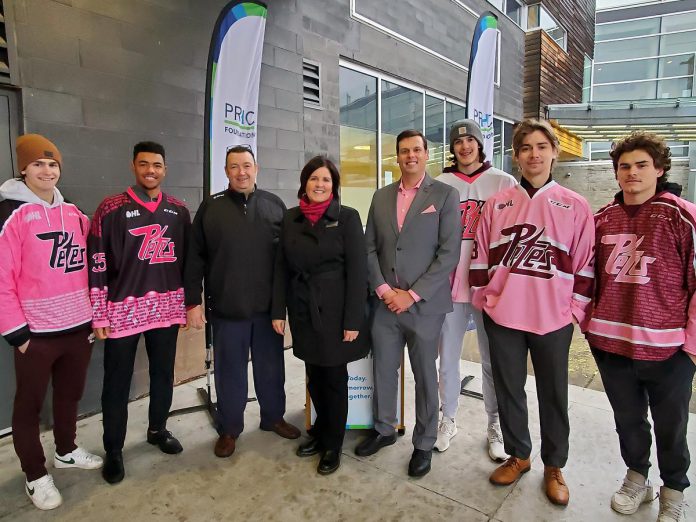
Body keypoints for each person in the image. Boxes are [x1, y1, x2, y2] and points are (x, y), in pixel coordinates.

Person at [470, 119, 594, 506]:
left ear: (555, 152)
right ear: (516, 155)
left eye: (542, 147)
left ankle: (554, 465)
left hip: (552, 319)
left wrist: (573, 308)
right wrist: (484, 299)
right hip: (503, 315)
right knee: (509, 389)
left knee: (553, 394)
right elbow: (478, 256)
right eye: (526, 148)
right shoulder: (499, 203)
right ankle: (519, 455)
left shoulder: (575, 205)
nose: (534, 154)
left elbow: (587, 263)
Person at [587, 132, 695, 522]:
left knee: (672, 425)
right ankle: (637, 477)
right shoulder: (601, 219)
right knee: (628, 421)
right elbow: (586, 276)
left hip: (669, 349)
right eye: (624, 166)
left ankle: (674, 489)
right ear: (616, 173)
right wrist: (588, 324)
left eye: (641, 165)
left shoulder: (682, 215)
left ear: (660, 169)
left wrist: (692, 344)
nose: (631, 173)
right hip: (612, 345)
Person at [0, 134, 102, 510]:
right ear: (23, 168)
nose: (47, 170)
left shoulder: (73, 212)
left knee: (69, 395)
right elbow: (1, 278)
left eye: (53, 164)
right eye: (39, 164)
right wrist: (17, 334)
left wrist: (95, 314)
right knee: (28, 405)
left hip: (77, 327)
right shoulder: (10, 213)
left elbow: (93, 262)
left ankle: (66, 449)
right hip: (36, 334)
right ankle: (35, 475)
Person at [355, 129, 461, 478]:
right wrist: (384, 289)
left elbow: (449, 253)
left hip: (424, 306)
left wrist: (411, 294)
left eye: (416, 149)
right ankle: (384, 430)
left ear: (426, 154)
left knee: (426, 377)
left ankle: (424, 442)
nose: (410, 155)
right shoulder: (381, 196)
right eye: (404, 151)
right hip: (385, 304)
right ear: (397, 156)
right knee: (383, 369)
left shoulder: (445, 195)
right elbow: (369, 247)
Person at [185, 145, 300, 459]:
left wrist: (285, 305)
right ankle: (230, 428)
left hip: (267, 312)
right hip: (227, 309)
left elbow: (286, 260)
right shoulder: (211, 208)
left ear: (256, 168)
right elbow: (194, 257)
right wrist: (192, 301)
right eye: (234, 166)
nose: (241, 172)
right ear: (226, 172)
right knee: (229, 372)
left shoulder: (275, 206)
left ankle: (273, 417)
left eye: (246, 165)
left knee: (271, 368)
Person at [88, 141, 191, 484]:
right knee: (116, 382)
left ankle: (157, 429)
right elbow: (97, 261)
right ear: (133, 166)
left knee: (163, 375)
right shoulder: (111, 209)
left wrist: (191, 302)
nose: (151, 170)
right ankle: (114, 449)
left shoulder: (179, 210)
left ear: (165, 169)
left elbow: (191, 263)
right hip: (122, 311)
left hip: (165, 308)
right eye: (144, 164)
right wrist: (99, 312)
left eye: (157, 165)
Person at [271, 156, 370, 475]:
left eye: (326, 180)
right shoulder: (290, 218)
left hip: (336, 311)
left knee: (334, 379)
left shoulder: (348, 217)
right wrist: (278, 310)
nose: (319, 184)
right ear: (304, 182)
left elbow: (358, 273)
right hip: (303, 309)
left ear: (334, 185)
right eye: (314, 179)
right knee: (314, 376)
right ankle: (320, 432)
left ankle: (333, 445)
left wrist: (353, 320)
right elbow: (281, 268)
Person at [435, 119, 517, 457]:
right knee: (448, 358)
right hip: (450, 286)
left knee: (491, 359)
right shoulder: (440, 183)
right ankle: (448, 418)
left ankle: (494, 424)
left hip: (488, 286)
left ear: (480, 144)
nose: (464, 146)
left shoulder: (503, 182)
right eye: (458, 141)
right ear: (452, 149)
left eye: (470, 140)